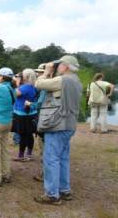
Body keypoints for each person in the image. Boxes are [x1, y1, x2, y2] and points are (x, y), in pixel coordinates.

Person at [34, 55, 82, 205]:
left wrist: (47, 71)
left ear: (66, 66)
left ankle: (52, 195)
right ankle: (64, 190)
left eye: (59, 64)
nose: (57, 66)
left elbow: (38, 84)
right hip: (69, 124)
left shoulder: (63, 80)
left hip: (57, 124)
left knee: (51, 159)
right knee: (63, 158)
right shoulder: (77, 82)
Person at [12, 69, 38, 162]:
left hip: (22, 115)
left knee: (23, 135)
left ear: (25, 77)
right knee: (29, 134)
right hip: (31, 113)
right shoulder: (33, 86)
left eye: (21, 75)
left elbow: (14, 94)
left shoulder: (24, 87)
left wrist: (17, 83)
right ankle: (29, 154)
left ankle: (21, 155)